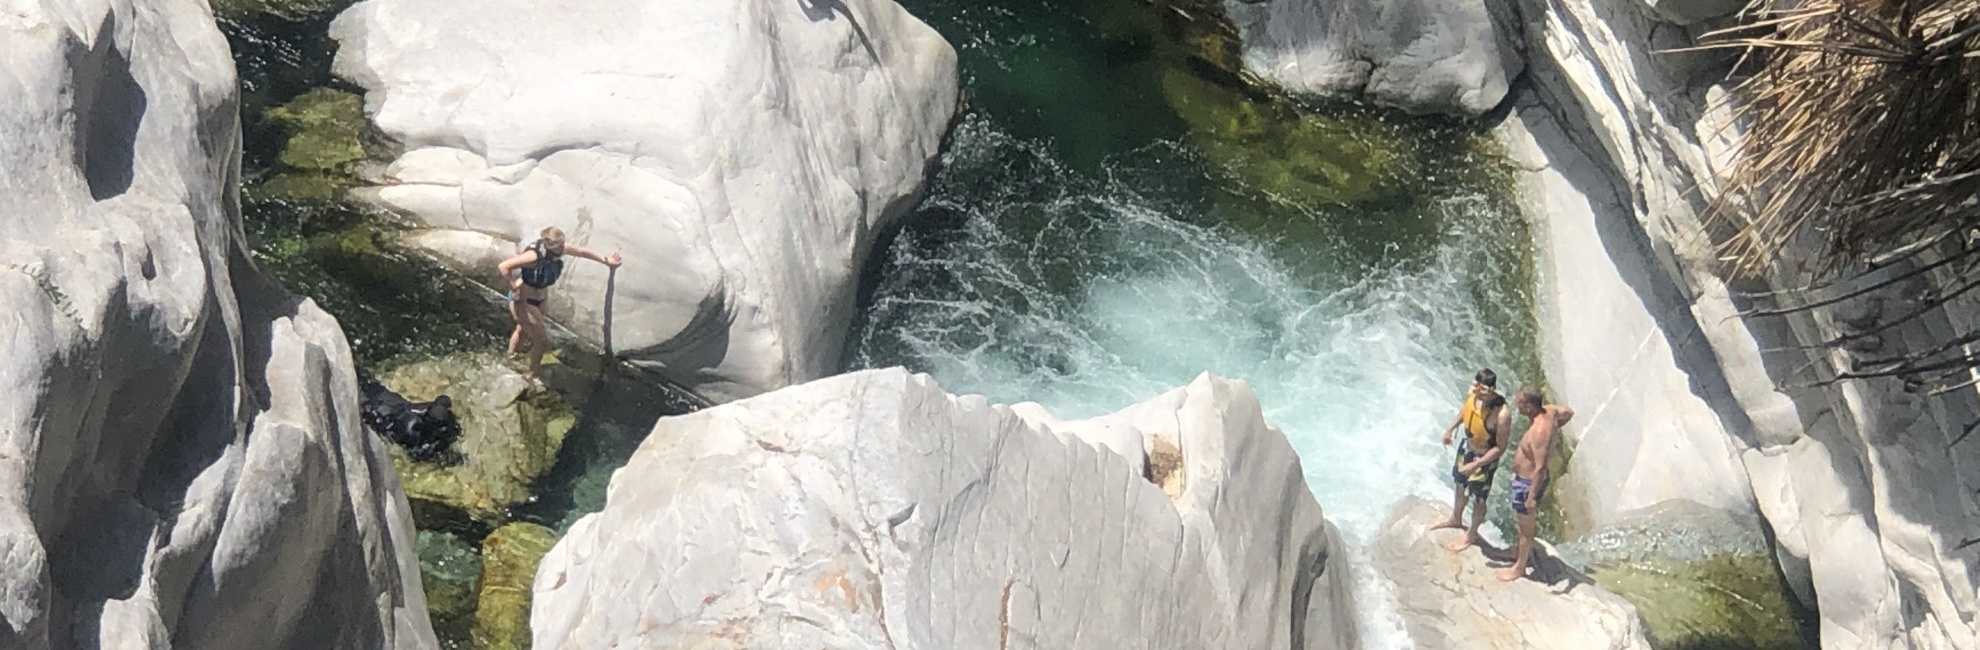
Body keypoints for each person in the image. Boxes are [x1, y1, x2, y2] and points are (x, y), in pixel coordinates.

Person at [498, 226, 622, 384]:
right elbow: (504, 267)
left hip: (540, 298)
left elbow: (581, 251)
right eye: (559, 245)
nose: (563, 248)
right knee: (541, 341)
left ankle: (510, 359)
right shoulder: (534, 255)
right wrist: (514, 287)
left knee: (523, 330)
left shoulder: (559, 250)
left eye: (562, 243)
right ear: (550, 244)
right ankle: (532, 375)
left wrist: (606, 261)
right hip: (524, 300)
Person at [1499, 385, 1573, 582]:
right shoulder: (1551, 412)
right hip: (1523, 480)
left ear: (1529, 407)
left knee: (1526, 528)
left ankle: (1520, 568)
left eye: (1520, 404)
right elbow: (1569, 412)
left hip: (1527, 483)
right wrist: (1555, 430)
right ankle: (1518, 551)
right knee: (1520, 522)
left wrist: (1531, 497)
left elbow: (1540, 468)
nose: (1517, 406)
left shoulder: (1540, 431)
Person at [1433, 368, 1511, 552]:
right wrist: (1450, 429)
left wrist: (1476, 464)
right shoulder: (1474, 396)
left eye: (1482, 391)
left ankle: (1471, 534)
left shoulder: (1501, 414)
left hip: (1484, 459)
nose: (1478, 394)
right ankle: (1456, 518)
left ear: (1491, 390)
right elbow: (1465, 410)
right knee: (1460, 484)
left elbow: (1500, 448)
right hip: (1467, 448)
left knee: (1478, 498)